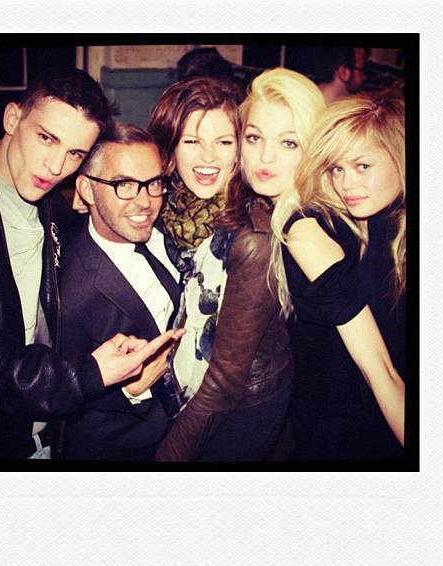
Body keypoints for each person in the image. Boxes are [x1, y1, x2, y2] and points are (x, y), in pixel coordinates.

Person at [0, 67, 182, 460]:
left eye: (75, 154)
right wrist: (93, 375)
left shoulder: (49, 204)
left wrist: (97, 202)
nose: (55, 166)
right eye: (46, 138)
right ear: (12, 118)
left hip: (44, 433)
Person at [156, 68, 326, 462]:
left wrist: (168, 457)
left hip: (243, 407)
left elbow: (224, 379)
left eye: (223, 141)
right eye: (255, 138)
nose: (208, 156)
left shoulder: (256, 236)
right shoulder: (186, 207)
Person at [271, 92, 406, 460]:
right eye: (337, 169)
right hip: (345, 432)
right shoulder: (336, 226)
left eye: (363, 166)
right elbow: (382, 372)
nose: (347, 184)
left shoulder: (387, 229)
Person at [59, 122, 184, 461]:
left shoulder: (164, 230)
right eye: (123, 185)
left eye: (153, 183)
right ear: (86, 190)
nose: (145, 202)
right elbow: (67, 401)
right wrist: (129, 392)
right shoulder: (72, 292)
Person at [148, 76, 241, 266]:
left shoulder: (250, 231)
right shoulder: (154, 209)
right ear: (171, 149)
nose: (208, 157)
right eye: (192, 141)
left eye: (224, 142)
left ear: (239, 151)